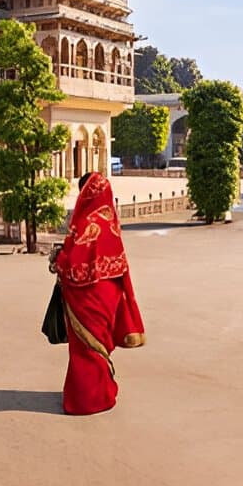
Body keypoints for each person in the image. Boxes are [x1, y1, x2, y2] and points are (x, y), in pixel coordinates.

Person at [50, 172, 146, 415]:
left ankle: (84, 401)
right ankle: (102, 393)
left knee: (84, 350)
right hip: (108, 297)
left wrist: (58, 259)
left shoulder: (86, 224)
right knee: (99, 346)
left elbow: (75, 269)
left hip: (86, 296)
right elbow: (120, 266)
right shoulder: (110, 223)